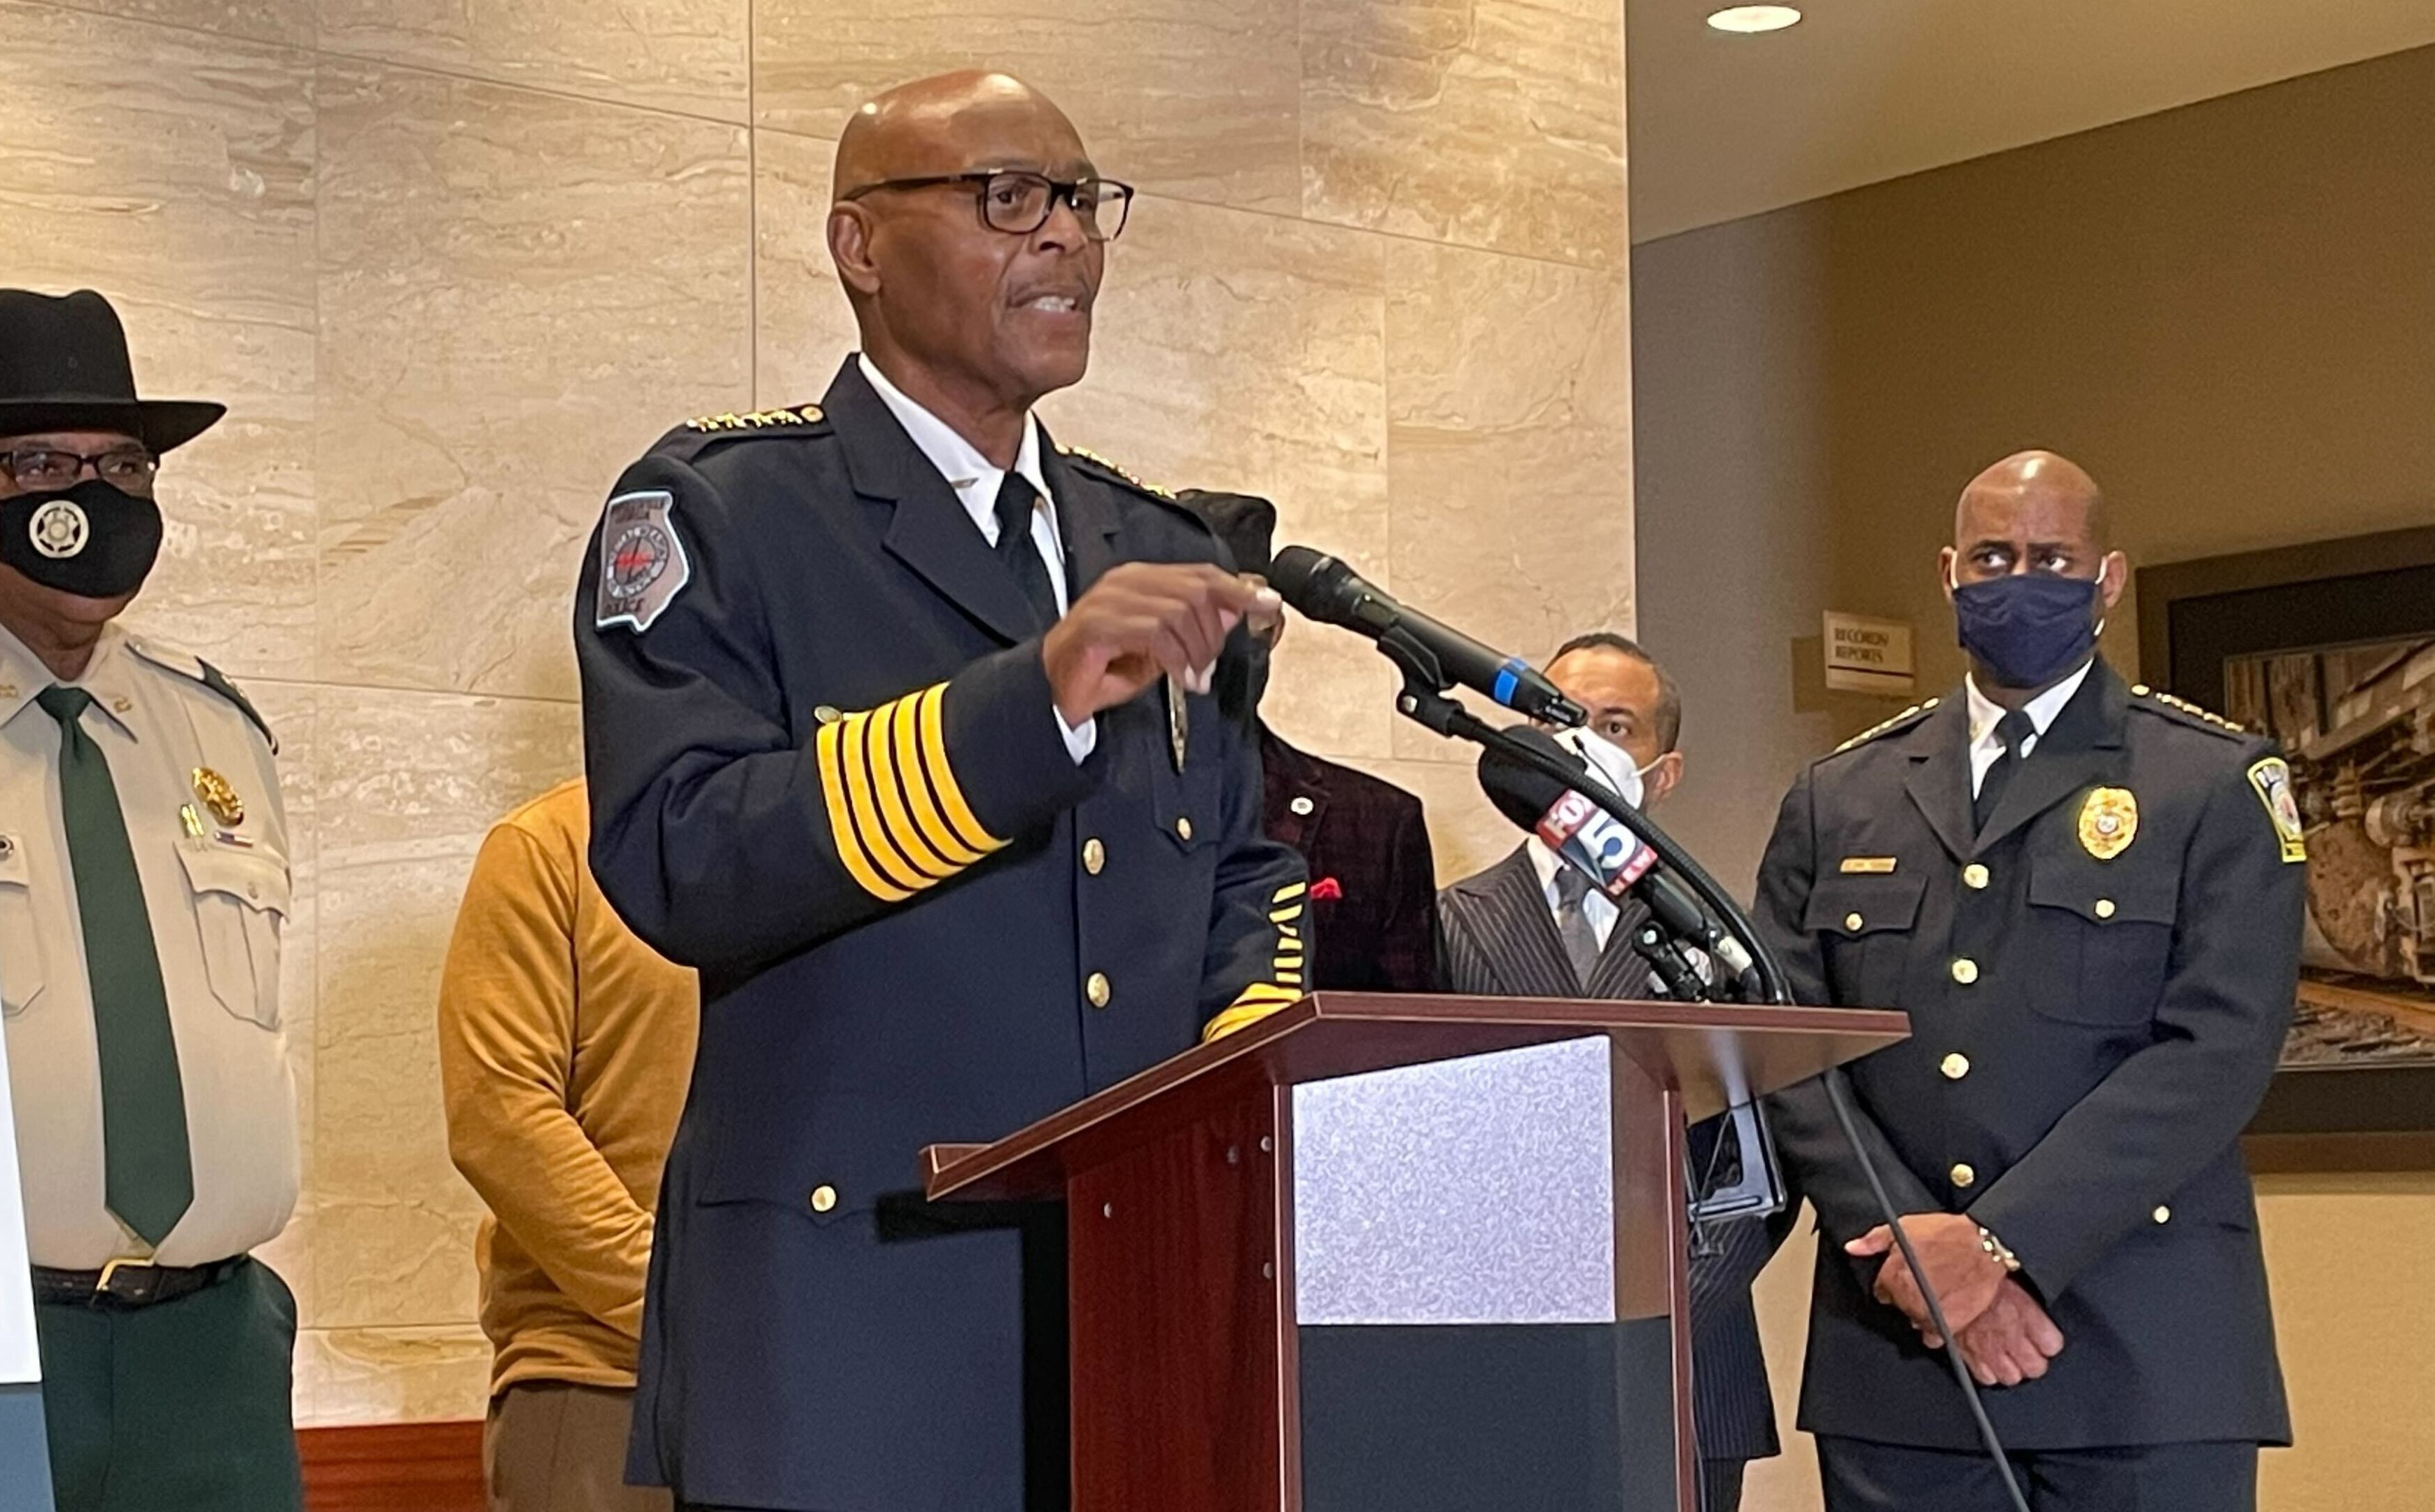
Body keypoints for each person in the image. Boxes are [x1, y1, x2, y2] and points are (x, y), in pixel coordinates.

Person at [572, 71, 1304, 1512]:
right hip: (852, 1336)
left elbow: (1241, 876)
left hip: (1139, 1329)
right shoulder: (724, 513)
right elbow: (680, 856)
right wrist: (1021, 708)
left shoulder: (1151, 543)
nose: (1067, 241)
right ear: (859, 245)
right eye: (1006, 197)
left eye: (1083, 202)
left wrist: (1248, 1101)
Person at [1757, 450, 2303, 1511]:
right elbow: (1787, 1043)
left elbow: (2219, 1052)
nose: (2021, 578)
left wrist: (2000, 1248)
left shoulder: (2211, 780)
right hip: (1901, 1359)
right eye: (1996, 555)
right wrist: (1922, 1262)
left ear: (2107, 580)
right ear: (1949, 571)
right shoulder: (1841, 795)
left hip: (2142, 1356)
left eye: (2052, 557)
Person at [0, 288, 302, 1512]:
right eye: (40, 461)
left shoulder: (220, 731)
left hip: (212, 1356)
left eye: (123, 465)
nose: (90, 496)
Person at [1436, 631, 1786, 1511]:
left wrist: (1657, 1308)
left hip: (1685, 1366)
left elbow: (1764, 1161)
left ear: (1661, 774)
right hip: (1495, 1367)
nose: (1579, 743)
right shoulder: (1450, 921)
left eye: (1614, 725)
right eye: (1558, 718)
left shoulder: (1725, 942)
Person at [439, 778, 698, 1512]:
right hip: (602, 1386)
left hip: (812, 1390)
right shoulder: (550, 846)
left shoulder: (829, 851)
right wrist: (680, 1300)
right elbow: (501, 1116)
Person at [1182, 489, 1437, 992]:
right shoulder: (1083, 801)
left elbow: (1415, 1040)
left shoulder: (1375, 823)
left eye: (1242, 618)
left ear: (1274, 629)